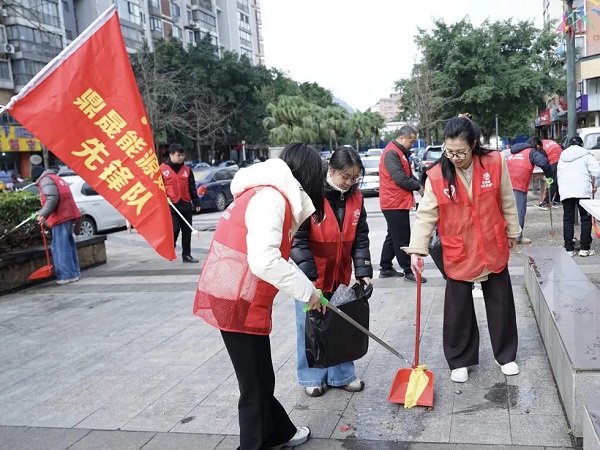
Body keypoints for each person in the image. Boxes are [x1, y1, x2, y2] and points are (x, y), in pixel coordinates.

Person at [193, 143, 326, 450]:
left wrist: (307, 286)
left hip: (236, 294)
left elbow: (272, 255)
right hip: (236, 298)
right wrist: (307, 291)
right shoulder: (271, 198)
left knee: (261, 378)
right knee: (254, 386)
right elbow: (264, 260)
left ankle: (279, 433)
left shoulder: (264, 192)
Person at [403, 116, 521, 383]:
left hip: (491, 243)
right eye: (450, 151)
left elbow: (506, 199)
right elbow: (426, 215)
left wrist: (513, 231)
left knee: (500, 303)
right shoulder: (436, 175)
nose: (454, 157)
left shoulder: (494, 162)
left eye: (460, 152)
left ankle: (505, 355)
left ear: (474, 145)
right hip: (459, 248)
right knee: (458, 310)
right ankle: (460, 360)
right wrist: (417, 250)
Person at [290, 147, 372, 398]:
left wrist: (363, 269)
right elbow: (298, 240)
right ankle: (312, 376)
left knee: (342, 326)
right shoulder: (310, 195)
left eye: (354, 178)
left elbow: (360, 236)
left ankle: (342, 375)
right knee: (309, 327)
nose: (349, 183)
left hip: (340, 274)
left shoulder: (356, 198)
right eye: (345, 176)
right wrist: (310, 278)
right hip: (311, 276)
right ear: (331, 169)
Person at [378, 125, 426, 283]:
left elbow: (409, 175)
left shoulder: (399, 152)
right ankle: (409, 270)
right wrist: (418, 187)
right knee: (402, 238)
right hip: (394, 202)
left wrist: (421, 185)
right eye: (411, 141)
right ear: (401, 138)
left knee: (393, 235)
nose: (412, 144)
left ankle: (385, 267)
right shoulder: (392, 153)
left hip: (396, 201)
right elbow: (400, 178)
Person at [33, 168, 81, 285]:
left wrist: (43, 214)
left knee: (60, 247)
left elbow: (52, 198)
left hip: (60, 216)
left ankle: (66, 275)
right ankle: (74, 272)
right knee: (68, 245)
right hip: (68, 214)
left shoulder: (45, 180)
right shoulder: (55, 177)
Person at [557, 136, 600, 257]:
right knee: (585, 219)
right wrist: (595, 185)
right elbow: (597, 172)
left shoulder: (562, 156)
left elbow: (558, 174)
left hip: (566, 191)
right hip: (583, 191)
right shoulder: (587, 155)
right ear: (581, 145)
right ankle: (585, 249)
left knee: (568, 219)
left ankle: (569, 249)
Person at [505, 137, 553, 244]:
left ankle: (506, 235)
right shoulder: (531, 151)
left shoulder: (515, 151)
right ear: (538, 146)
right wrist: (549, 176)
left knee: (507, 210)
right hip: (518, 182)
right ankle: (517, 237)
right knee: (519, 211)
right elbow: (544, 162)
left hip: (506, 181)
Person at [160, 143, 201, 263]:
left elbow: (192, 188)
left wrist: (196, 202)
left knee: (187, 231)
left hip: (186, 203)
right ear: (171, 155)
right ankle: (170, 249)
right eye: (178, 155)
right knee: (175, 229)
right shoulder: (162, 169)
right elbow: (158, 188)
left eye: (183, 155)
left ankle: (186, 255)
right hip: (172, 205)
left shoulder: (187, 170)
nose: (181, 157)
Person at [536, 139, 563, 209]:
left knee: (552, 181)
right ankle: (557, 200)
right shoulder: (546, 142)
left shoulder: (542, 148)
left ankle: (546, 202)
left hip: (554, 160)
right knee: (557, 180)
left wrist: (546, 173)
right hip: (560, 158)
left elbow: (543, 162)